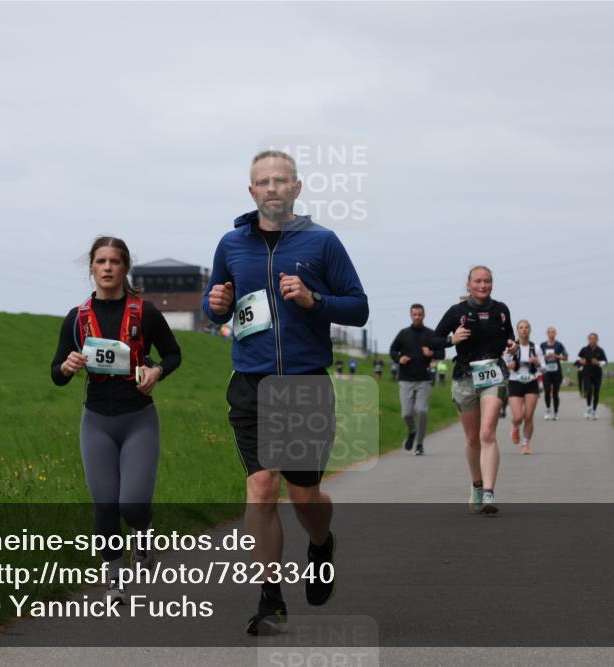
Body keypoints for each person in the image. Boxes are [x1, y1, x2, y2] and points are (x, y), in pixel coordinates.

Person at [202, 150, 369, 635]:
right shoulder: (231, 244)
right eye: (263, 182)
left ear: (297, 188)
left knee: (303, 495)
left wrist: (313, 299)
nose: (272, 188)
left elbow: (357, 308)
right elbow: (219, 305)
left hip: (303, 383)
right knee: (261, 486)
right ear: (251, 191)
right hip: (251, 382)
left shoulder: (322, 242)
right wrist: (215, 305)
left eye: (281, 181)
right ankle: (269, 599)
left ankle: (321, 545)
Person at [51, 236, 182, 604]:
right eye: (100, 261)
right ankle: (114, 580)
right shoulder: (77, 318)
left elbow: (173, 355)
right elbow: (56, 374)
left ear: (126, 268)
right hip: (96, 421)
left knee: (134, 506)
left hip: (138, 419)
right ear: (91, 268)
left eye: (115, 261)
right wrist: (66, 365)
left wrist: (156, 372)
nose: (107, 268)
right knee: (105, 504)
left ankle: (143, 538)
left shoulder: (146, 313)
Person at [432, 266, 516, 514]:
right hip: (464, 376)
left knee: (487, 432)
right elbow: (433, 340)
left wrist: (511, 344)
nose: (483, 285)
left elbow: (508, 335)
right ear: (468, 285)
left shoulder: (501, 310)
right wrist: (451, 340)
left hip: (493, 373)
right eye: (478, 281)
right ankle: (477, 485)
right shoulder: (456, 312)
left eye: (487, 281)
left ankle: (489, 492)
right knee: (472, 438)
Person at [389, 303, 445, 455]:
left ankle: (419, 444)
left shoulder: (431, 334)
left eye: (420, 314)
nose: (417, 317)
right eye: (414, 314)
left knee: (421, 411)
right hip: (406, 379)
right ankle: (412, 430)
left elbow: (442, 353)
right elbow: (392, 350)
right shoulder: (403, 334)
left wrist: (431, 353)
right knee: (406, 413)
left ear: (424, 315)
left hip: (424, 379)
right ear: (411, 315)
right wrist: (399, 358)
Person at [507, 320, 545, 455]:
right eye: (521, 328)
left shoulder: (536, 348)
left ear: (530, 330)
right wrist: (508, 365)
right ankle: (515, 426)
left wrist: (537, 363)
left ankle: (525, 444)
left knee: (528, 416)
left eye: (526, 327)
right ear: (517, 330)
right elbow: (502, 365)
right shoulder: (511, 347)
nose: (524, 330)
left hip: (531, 382)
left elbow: (543, 367)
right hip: (515, 382)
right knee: (518, 416)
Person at [539, 327, 568, 420]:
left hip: (557, 373)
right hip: (546, 372)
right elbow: (538, 357)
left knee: (555, 393)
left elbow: (566, 357)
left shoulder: (559, 345)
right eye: (550, 332)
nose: (551, 334)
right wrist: (545, 356)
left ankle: (555, 412)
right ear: (547, 334)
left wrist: (556, 356)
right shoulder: (542, 345)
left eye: (553, 332)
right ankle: (547, 409)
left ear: (555, 334)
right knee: (547, 391)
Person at [577, 333, 608, 420]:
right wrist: (581, 362)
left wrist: (598, 363)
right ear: (588, 340)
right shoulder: (584, 349)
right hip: (587, 373)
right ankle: (588, 408)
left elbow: (605, 362)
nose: (592, 340)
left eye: (594, 339)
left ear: (597, 340)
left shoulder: (600, 350)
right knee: (589, 390)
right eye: (590, 339)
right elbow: (578, 359)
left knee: (596, 393)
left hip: (597, 374)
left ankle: (594, 411)